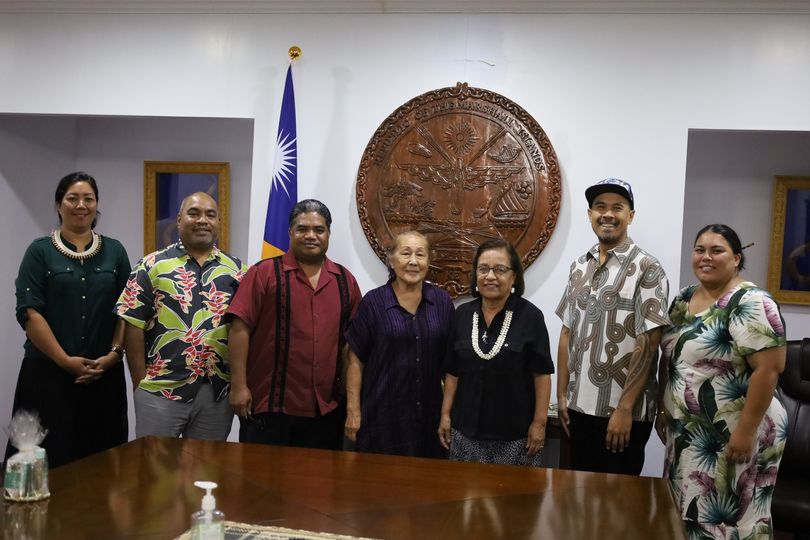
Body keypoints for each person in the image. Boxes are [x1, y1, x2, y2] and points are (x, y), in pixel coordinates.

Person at [657, 224, 787, 538]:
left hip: (737, 430)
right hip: (690, 432)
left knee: (731, 517)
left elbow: (769, 368)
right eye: (700, 249)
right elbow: (672, 360)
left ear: (737, 258)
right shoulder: (684, 299)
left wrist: (745, 431)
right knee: (687, 511)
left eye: (717, 251)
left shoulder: (751, 301)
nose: (706, 257)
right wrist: (664, 410)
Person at [6, 172, 131, 468]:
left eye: (88, 199)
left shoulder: (116, 251)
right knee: (46, 463)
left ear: (96, 205)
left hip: (104, 377)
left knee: (104, 466)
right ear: (59, 204)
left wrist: (114, 356)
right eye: (72, 198)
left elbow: (128, 310)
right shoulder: (39, 251)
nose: (81, 205)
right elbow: (29, 312)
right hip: (48, 376)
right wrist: (65, 360)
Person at [556, 178, 669, 475]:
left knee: (617, 506)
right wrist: (561, 396)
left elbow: (650, 340)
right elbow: (567, 331)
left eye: (617, 207)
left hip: (623, 415)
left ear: (630, 215)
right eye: (599, 207)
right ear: (590, 214)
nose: (607, 214)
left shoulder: (649, 268)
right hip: (579, 409)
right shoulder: (579, 265)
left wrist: (624, 410)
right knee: (579, 498)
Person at [228, 199, 362, 450]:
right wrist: (238, 386)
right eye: (302, 229)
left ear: (328, 234)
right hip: (268, 407)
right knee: (261, 485)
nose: (311, 235)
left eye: (319, 230)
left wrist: (349, 399)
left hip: (326, 410)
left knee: (316, 486)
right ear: (290, 232)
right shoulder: (263, 273)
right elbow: (239, 329)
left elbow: (352, 344)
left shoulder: (345, 281)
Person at [115, 192, 246, 440]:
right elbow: (133, 324)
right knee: (155, 472)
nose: (202, 220)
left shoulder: (238, 270)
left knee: (205, 474)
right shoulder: (151, 265)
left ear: (218, 222)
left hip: (216, 394)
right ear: (178, 220)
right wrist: (140, 384)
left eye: (210, 215)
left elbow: (244, 330)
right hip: (160, 390)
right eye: (194, 213)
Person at [438, 238, 553, 466]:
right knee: (464, 499)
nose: (490, 276)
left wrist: (539, 424)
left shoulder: (531, 317)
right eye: (483, 269)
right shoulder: (461, 315)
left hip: (515, 436)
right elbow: (452, 371)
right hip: (465, 433)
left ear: (514, 277)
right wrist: (445, 415)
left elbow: (541, 375)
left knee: (510, 500)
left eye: (500, 269)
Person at [344, 231, 454, 457]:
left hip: (429, 420)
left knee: (430, 488)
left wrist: (448, 413)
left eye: (420, 255)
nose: (413, 261)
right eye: (406, 253)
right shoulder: (374, 303)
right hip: (381, 417)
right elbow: (355, 360)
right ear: (391, 260)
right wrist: (353, 411)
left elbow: (451, 364)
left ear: (428, 261)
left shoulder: (442, 302)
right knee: (382, 487)